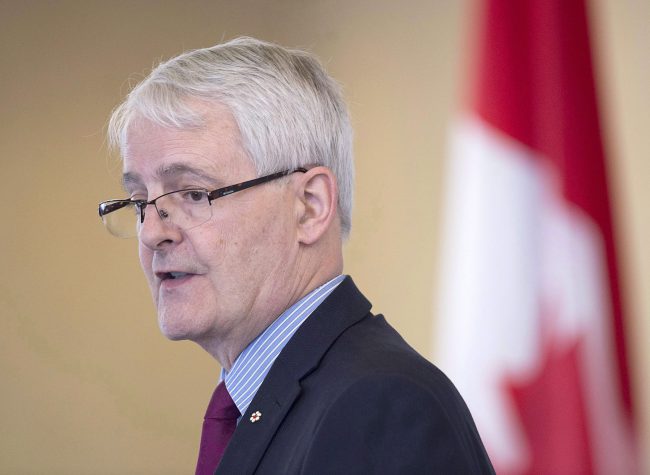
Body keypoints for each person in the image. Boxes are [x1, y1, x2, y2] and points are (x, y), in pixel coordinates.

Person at [98, 37, 494, 475]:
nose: (152, 231)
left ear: (310, 206)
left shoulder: (381, 408)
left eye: (193, 193)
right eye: (138, 200)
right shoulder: (266, 401)